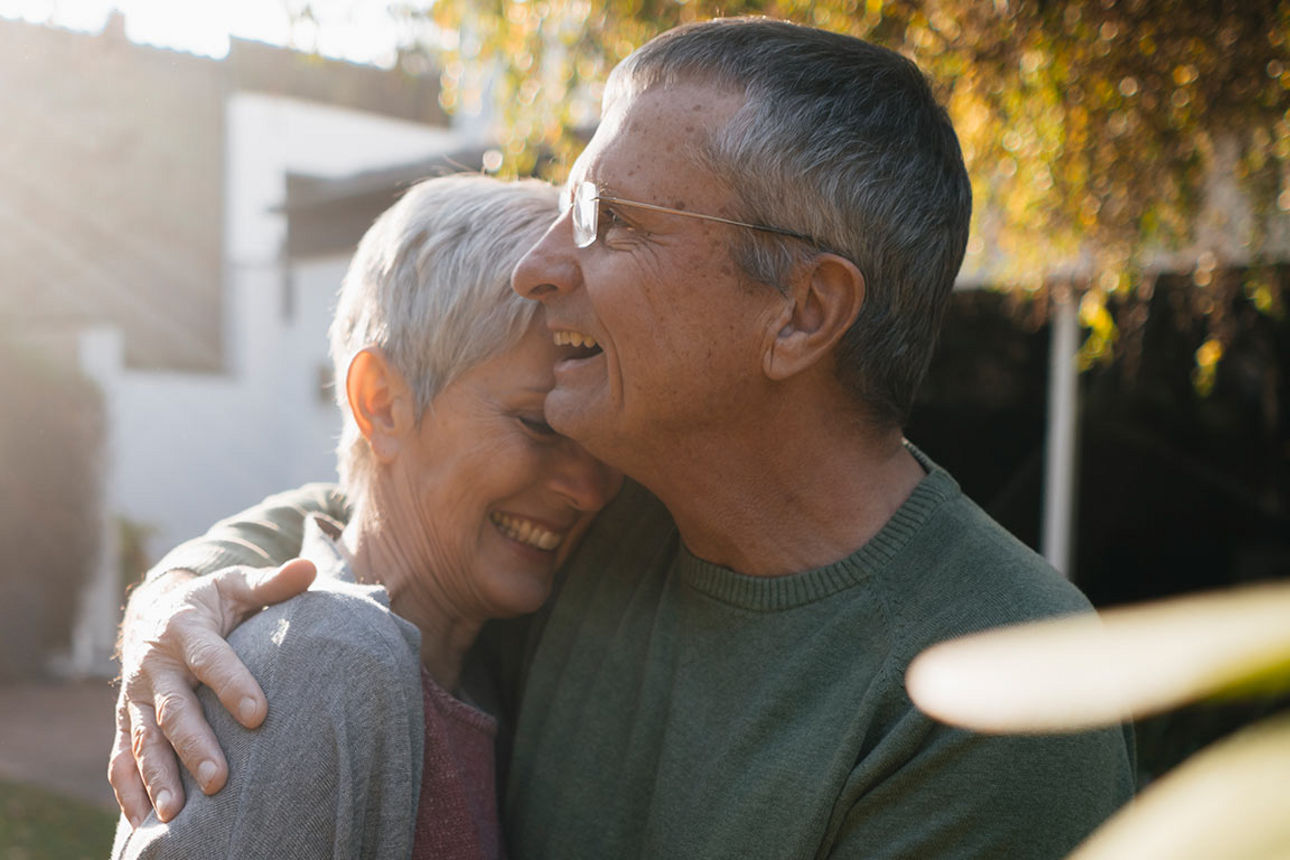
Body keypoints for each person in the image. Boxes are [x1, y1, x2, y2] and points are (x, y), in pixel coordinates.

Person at [112, 18, 1135, 858]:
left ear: (802, 312)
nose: (541, 265)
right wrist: (182, 598)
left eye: (608, 218)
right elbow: (377, 514)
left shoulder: (1009, 692)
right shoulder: (608, 518)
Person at [111, 174, 618, 858]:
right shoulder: (327, 661)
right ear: (380, 402)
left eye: (600, 438)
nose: (590, 488)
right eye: (538, 426)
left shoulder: (472, 676)